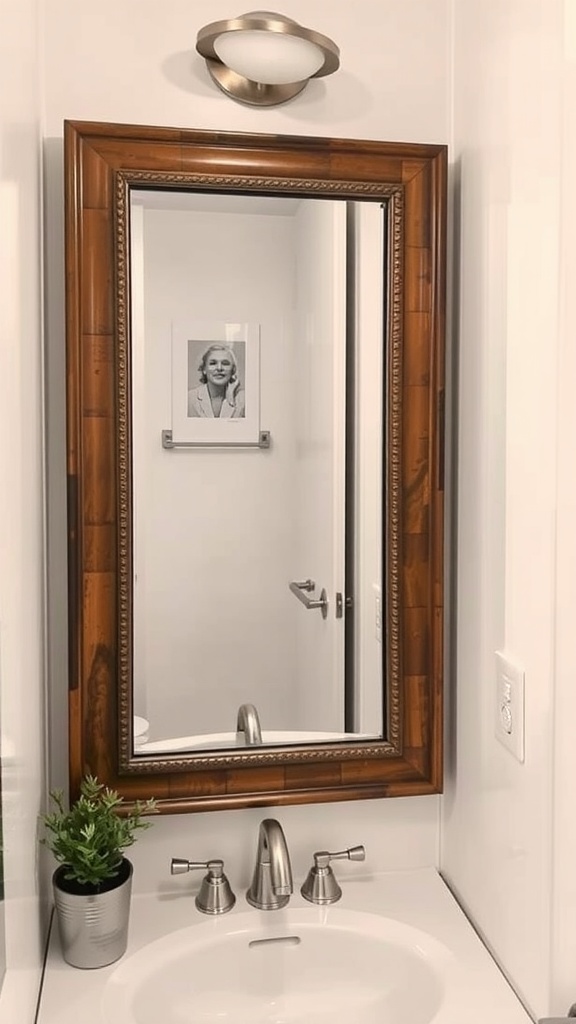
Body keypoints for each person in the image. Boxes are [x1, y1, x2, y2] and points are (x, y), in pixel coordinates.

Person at [187, 344, 246, 419]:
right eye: (213, 363)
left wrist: (230, 399)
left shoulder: (243, 399)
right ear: (204, 369)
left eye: (225, 363)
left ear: (233, 370)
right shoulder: (190, 398)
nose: (219, 368)